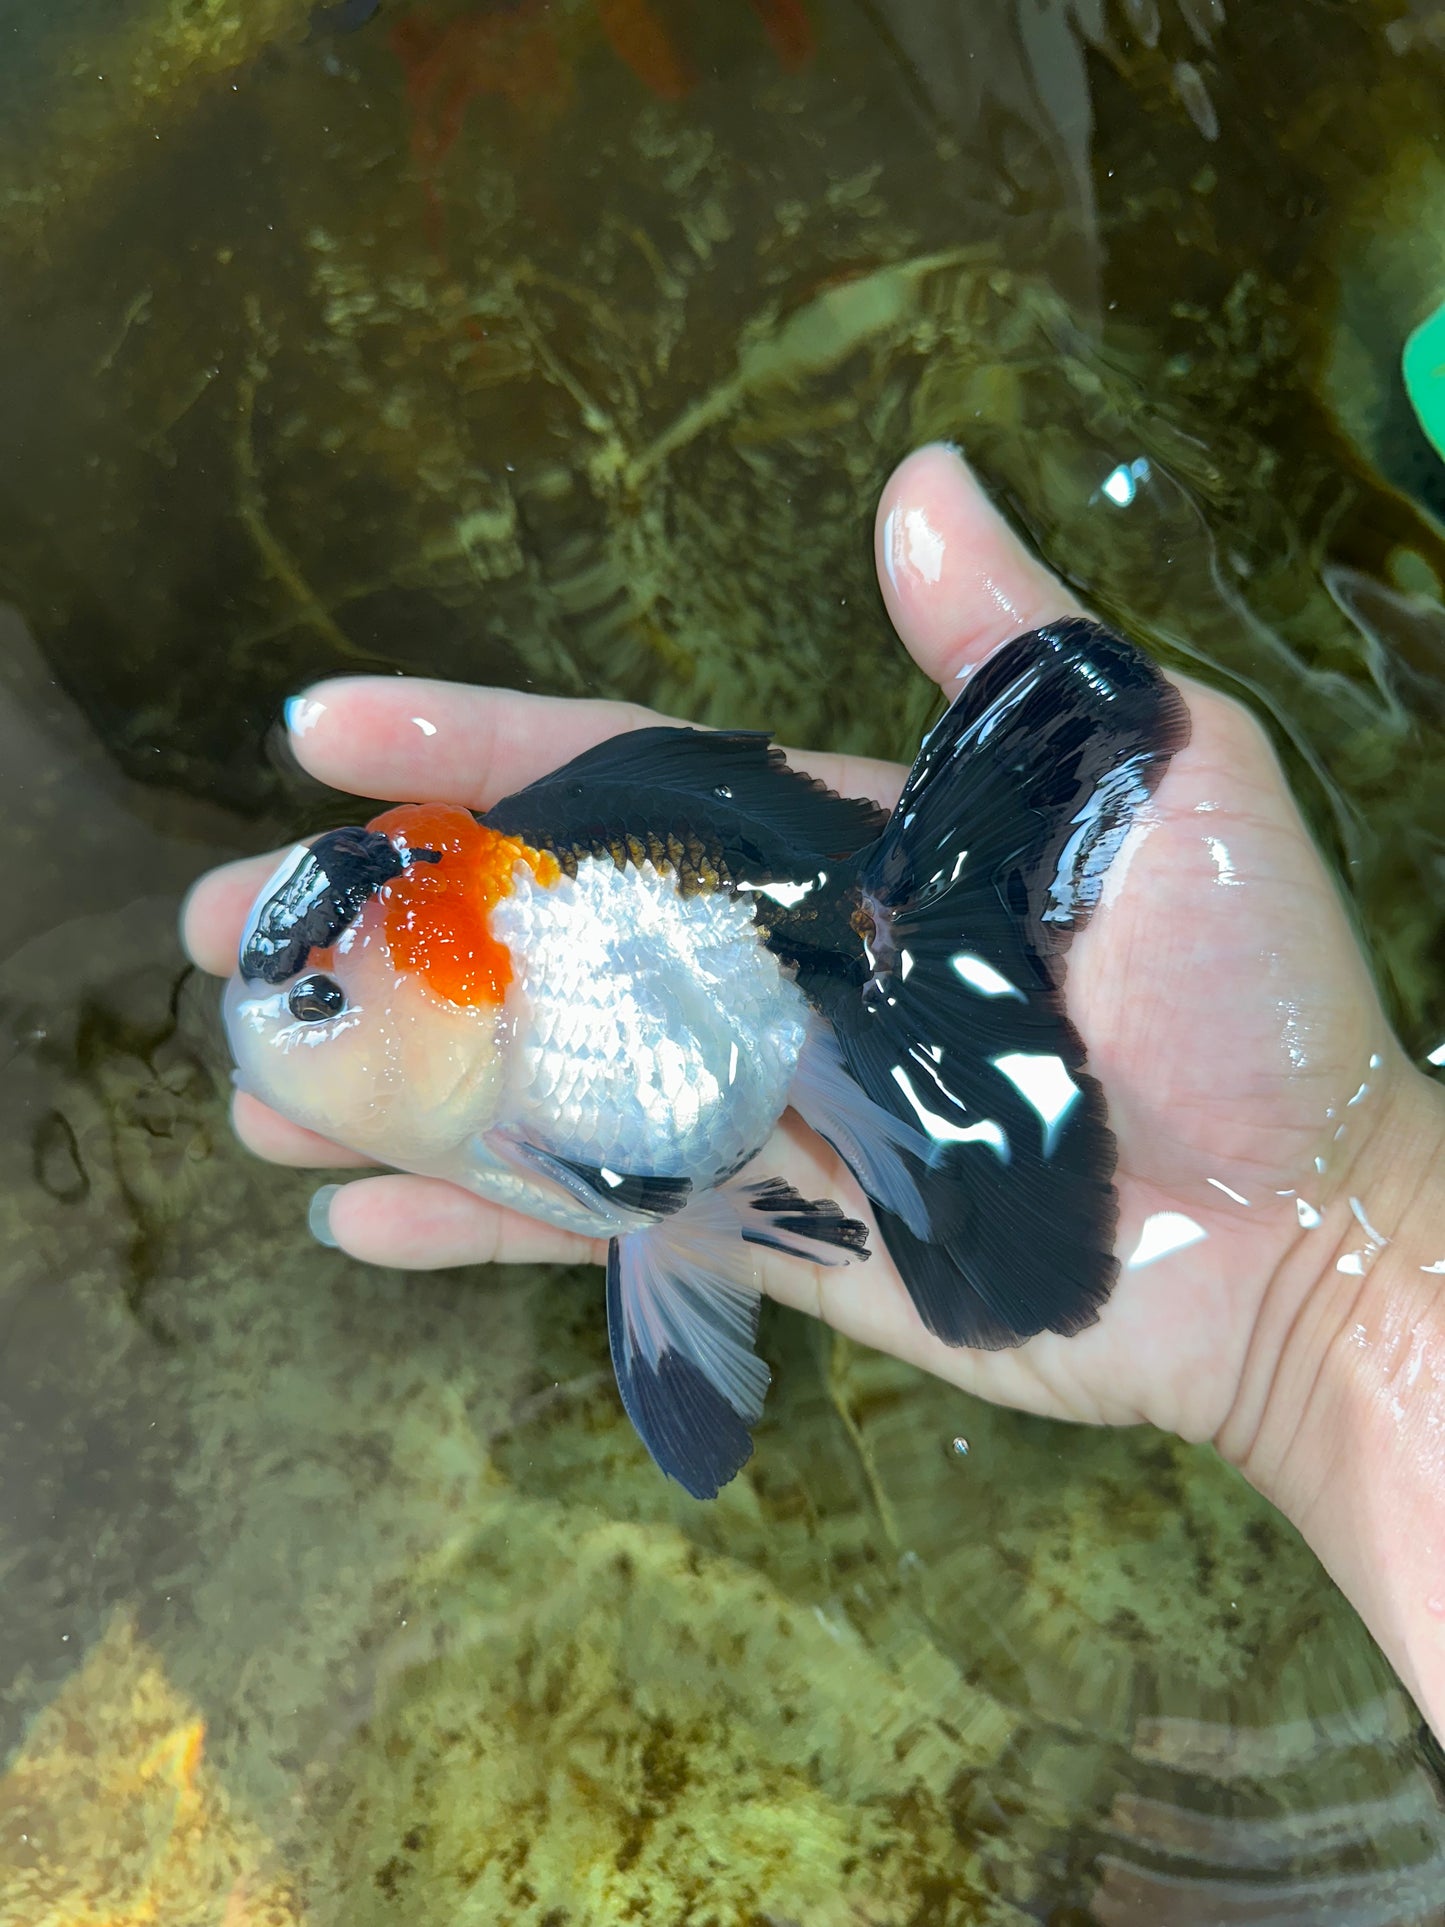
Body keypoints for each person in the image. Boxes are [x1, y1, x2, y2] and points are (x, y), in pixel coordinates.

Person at [183, 443, 1445, 1738]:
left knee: (677, 1188)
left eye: (325, 1004)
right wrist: (1339, 1260)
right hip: (707, 1037)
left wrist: (1332, 1252)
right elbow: (643, 1206)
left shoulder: (536, 1030)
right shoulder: (503, 1055)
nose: (277, 1026)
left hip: (756, 1004)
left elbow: (637, 1198)